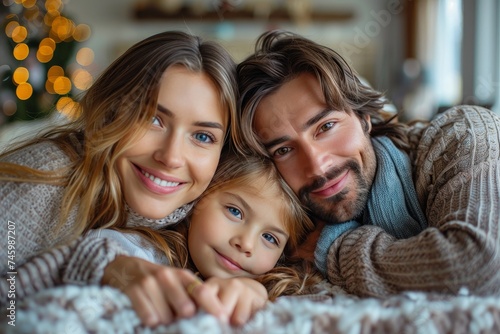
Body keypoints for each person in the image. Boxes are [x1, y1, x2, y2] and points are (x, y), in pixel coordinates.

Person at [0, 31, 263, 326]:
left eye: (202, 136)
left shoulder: (207, 204)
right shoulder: (43, 182)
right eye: (152, 119)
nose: (172, 157)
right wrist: (103, 265)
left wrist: (254, 288)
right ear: (110, 112)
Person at [237, 30, 500, 297]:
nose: (317, 167)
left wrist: (335, 250)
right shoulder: (282, 226)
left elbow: (478, 266)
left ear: (364, 116)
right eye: (283, 150)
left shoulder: (462, 135)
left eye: (326, 126)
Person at [90, 151, 320, 302]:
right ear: (199, 199)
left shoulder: (280, 292)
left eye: (270, 238)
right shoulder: (144, 251)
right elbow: (96, 252)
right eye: (235, 212)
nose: (245, 244)